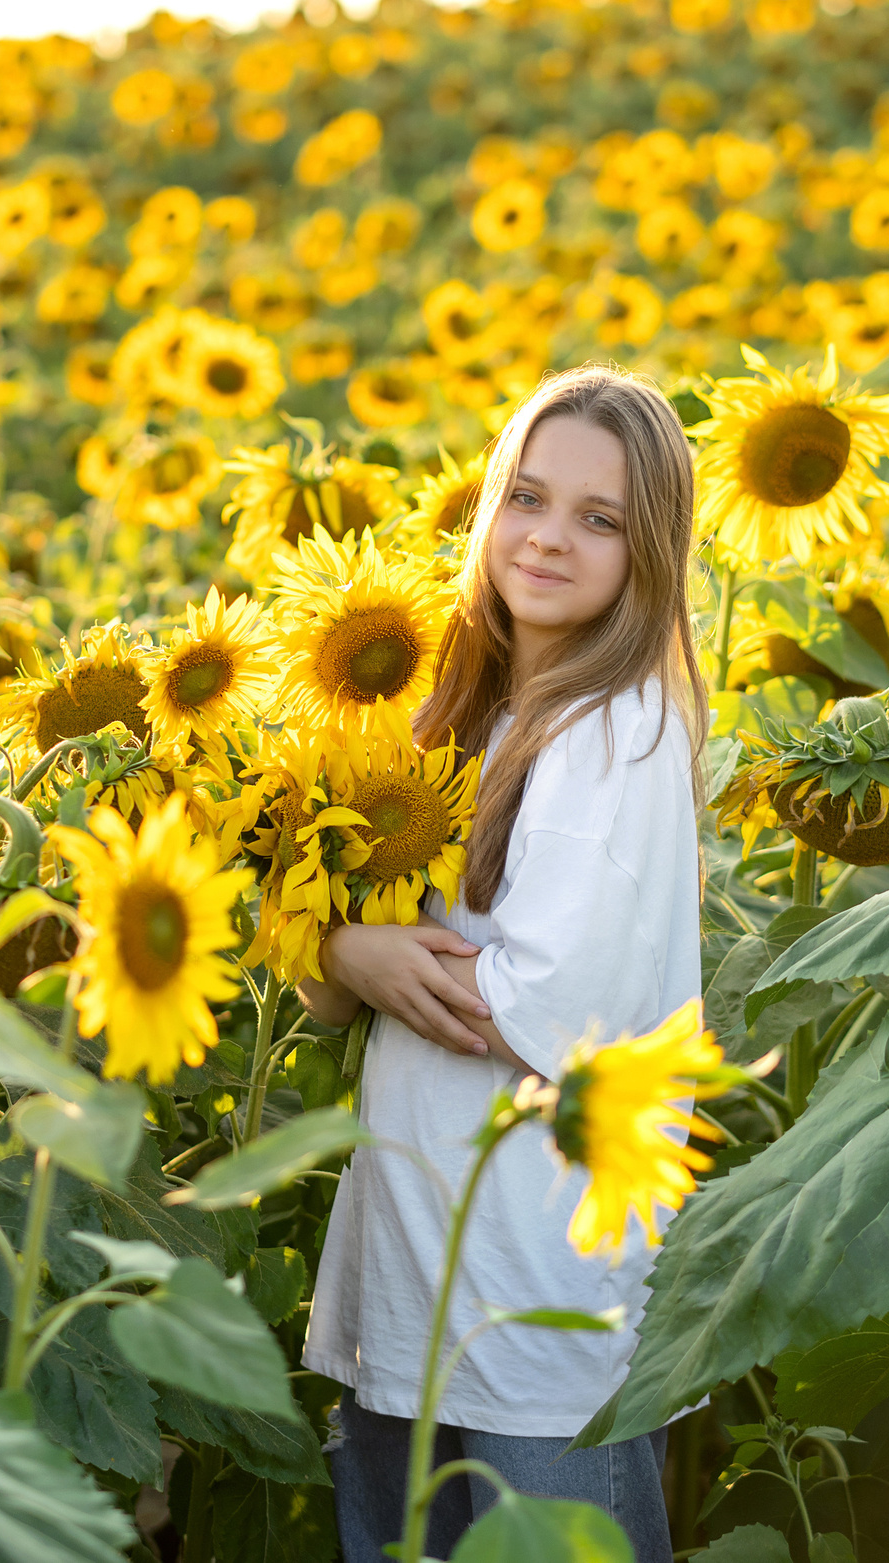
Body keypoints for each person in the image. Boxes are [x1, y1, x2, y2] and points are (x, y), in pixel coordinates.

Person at [297, 365, 707, 1563]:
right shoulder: (453, 716)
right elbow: (323, 987)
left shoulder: (618, 729)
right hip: (417, 1270)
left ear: (648, 551)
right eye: (527, 497)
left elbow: (543, 1007)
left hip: (539, 1289)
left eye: (599, 518)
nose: (548, 537)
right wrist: (342, 942)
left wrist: (367, 958)